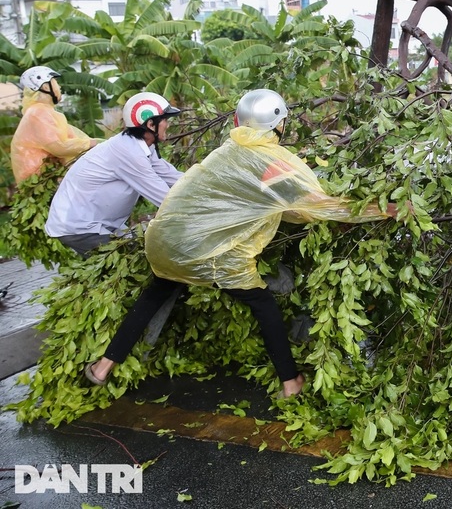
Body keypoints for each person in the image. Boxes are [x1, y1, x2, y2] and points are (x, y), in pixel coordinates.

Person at [84, 89, 402, 399]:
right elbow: (312, 207)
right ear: (278, 124)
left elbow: (282, 207)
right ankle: (291, 382)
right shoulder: (269, 162)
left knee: (155, 295)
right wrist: (385, 209)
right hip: (204, 252)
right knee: (264, 305)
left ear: (239, 121)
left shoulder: (226, 152)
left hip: (163, 242)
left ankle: (103, 366)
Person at [45, 91, 184, 257]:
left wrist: (207, 189)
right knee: (140, 261)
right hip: (81, 227)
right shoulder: (129, 152)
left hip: (98, 224)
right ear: (151, 124)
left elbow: (172, 176)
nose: (168, 125)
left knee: (143, 259)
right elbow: (165, 197)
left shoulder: (142, 146)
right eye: (165, 120)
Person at [10, 66, 98, 184]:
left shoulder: (43, 111)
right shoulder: (38, 113)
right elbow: (59, 147)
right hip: (43, 179)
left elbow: (71, 138)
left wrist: (94, 143)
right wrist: (92, 143)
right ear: (46, 87)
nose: (59, 86)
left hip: (50, 175)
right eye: (55, 82)